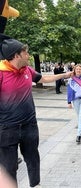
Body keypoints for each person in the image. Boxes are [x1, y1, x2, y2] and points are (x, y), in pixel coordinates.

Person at [0, 34, 72, 188]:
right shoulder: (1, 73)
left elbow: (44, 79)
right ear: (16, 55)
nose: (28, 55)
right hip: (7, 129)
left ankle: (36, 184)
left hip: (29, 125)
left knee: (33, 158)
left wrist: (65, 75)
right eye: (25, 52)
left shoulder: (28, 70)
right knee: (9, 166)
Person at [67, 64, 81, 144]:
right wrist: (69, 102)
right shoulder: (71, 80)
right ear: (74, 70)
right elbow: (69, 91)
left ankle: (78, 135)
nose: (78, 70)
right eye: (77, 69)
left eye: (80, 69)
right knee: (79, 116)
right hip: (76, 100)